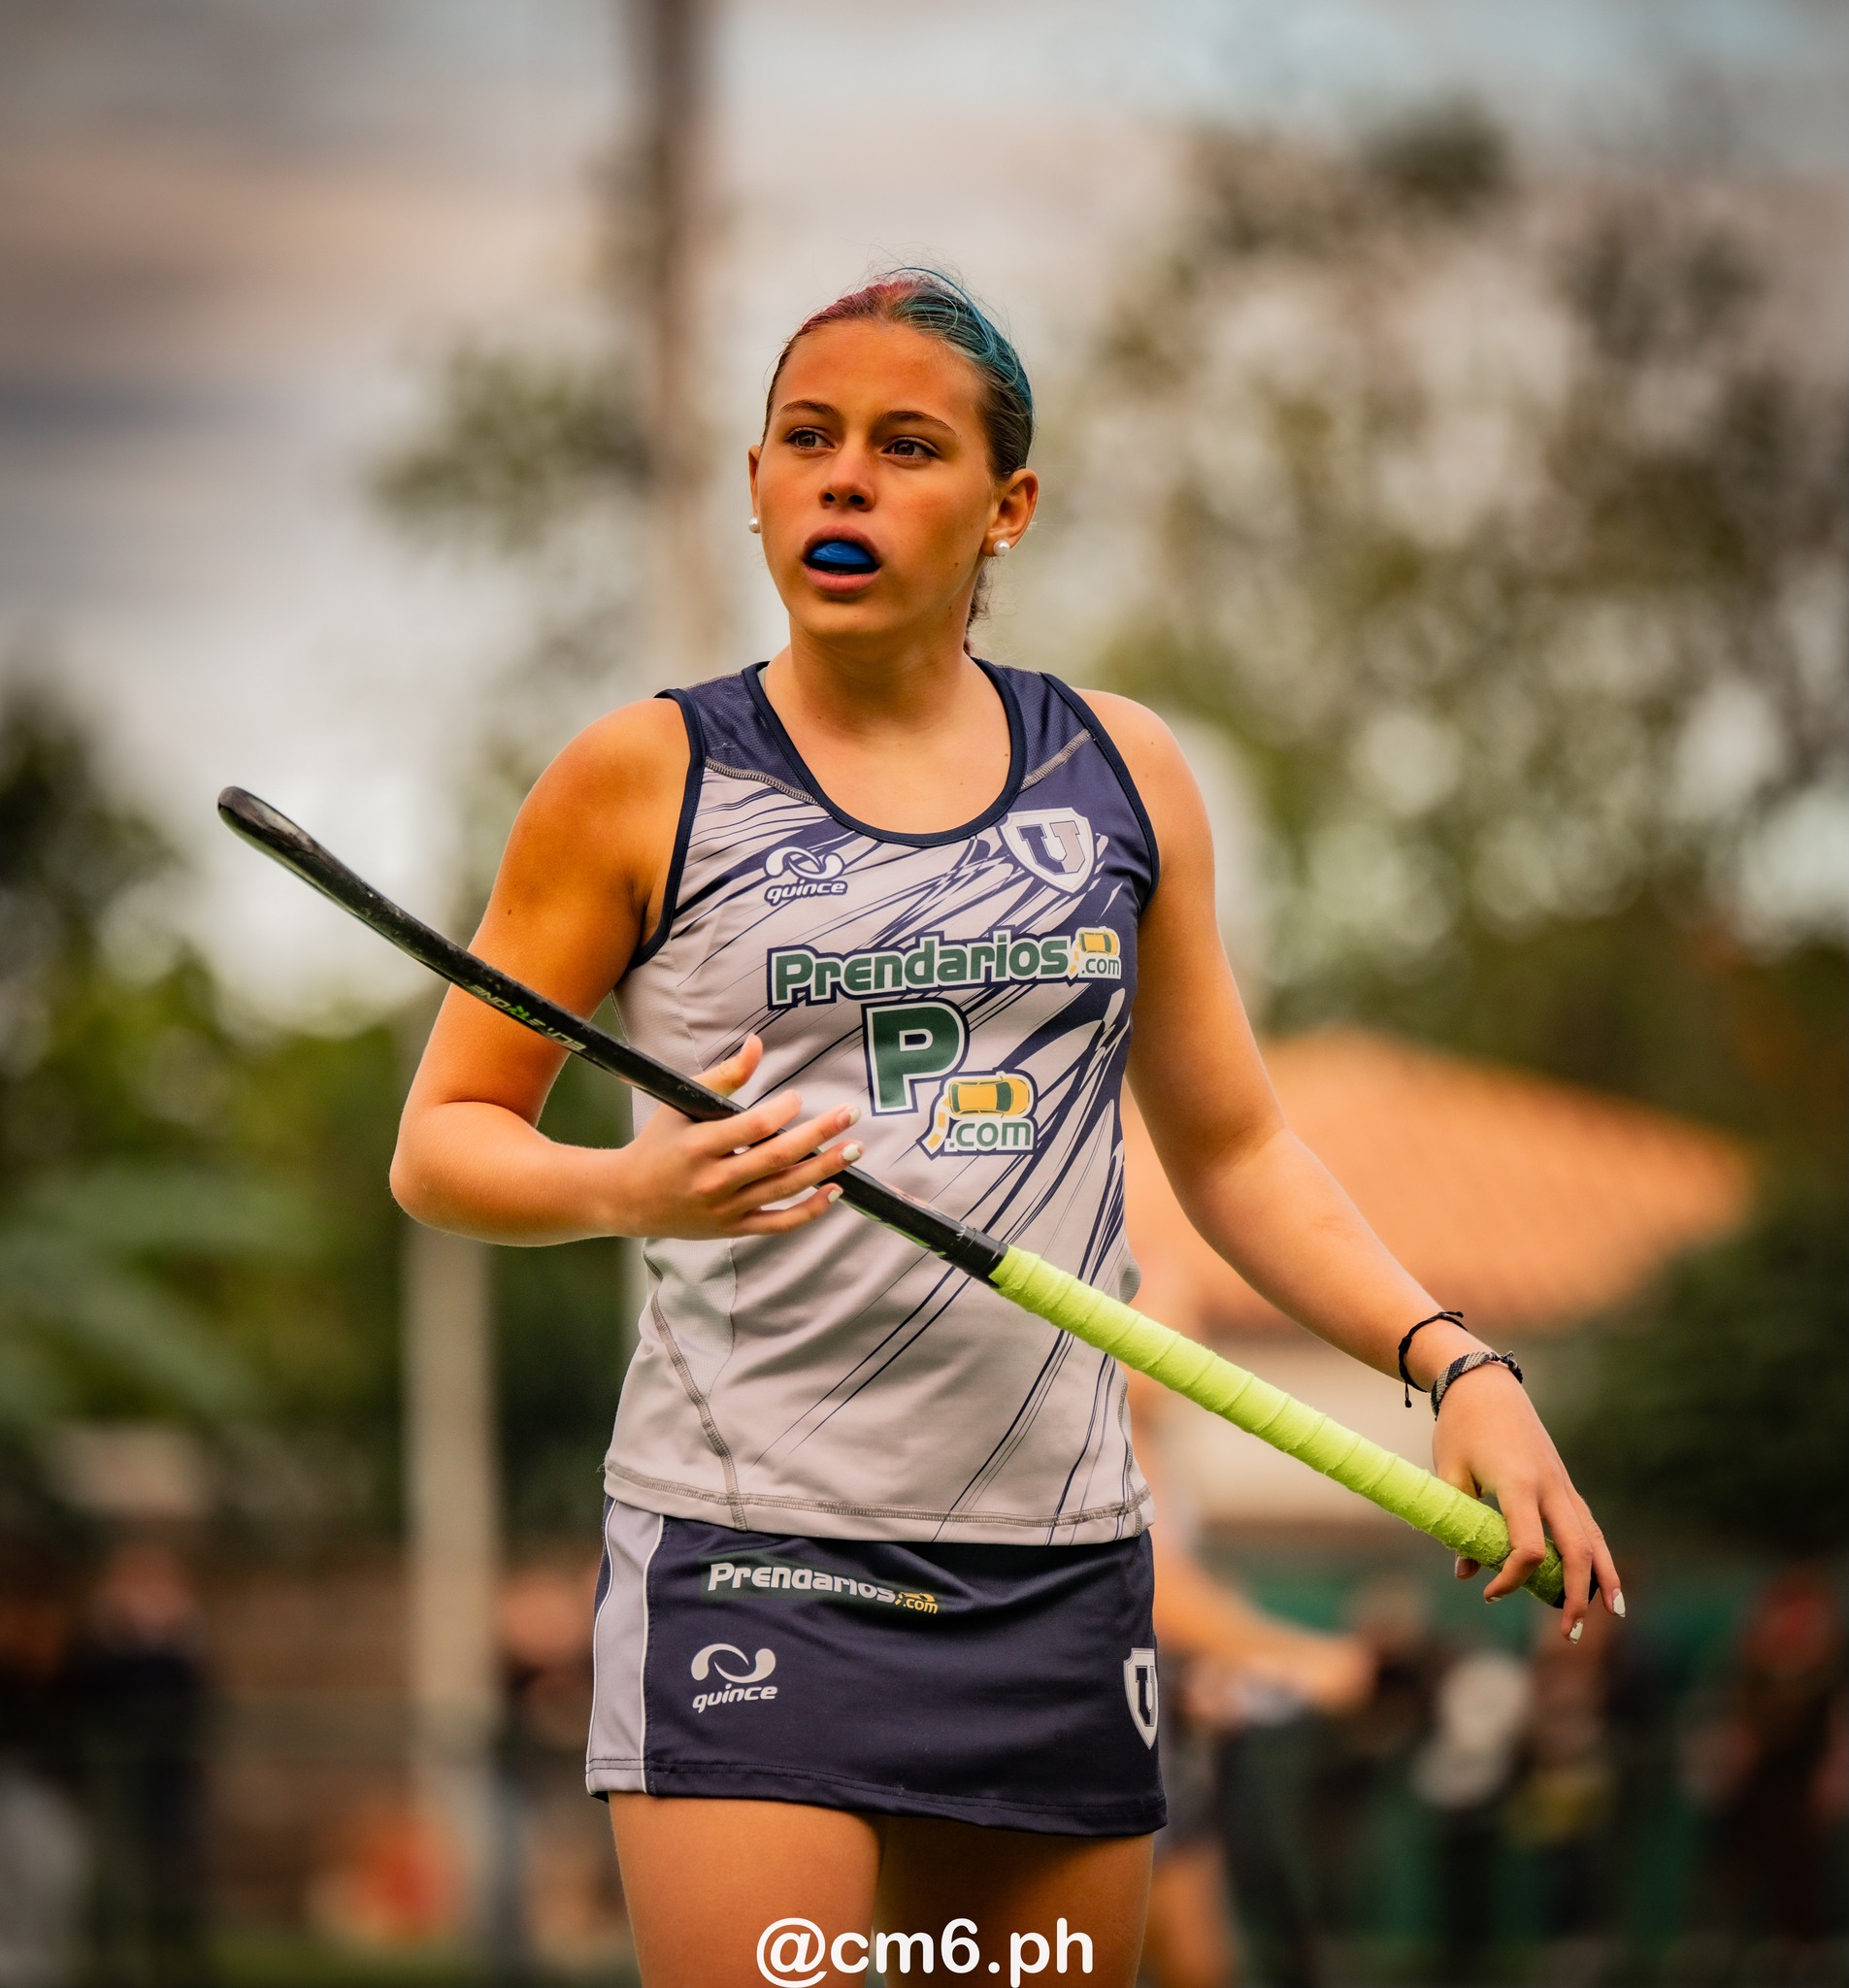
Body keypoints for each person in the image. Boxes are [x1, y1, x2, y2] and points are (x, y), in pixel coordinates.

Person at [389, 267, 1622, 1988]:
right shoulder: (638, 780)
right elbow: (445, 1139)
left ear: (1005, 509)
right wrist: (630, 1184)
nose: (844, 480)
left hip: (1056, 1577)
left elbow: (1238, 1149)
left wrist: (1456, 1364)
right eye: (807, 440)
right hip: (753, 1554)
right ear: (753, 480)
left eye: (906, 447)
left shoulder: (1121, 773)